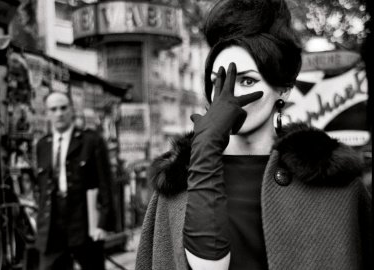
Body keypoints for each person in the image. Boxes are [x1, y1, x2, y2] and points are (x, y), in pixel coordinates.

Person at [135, 0, 372, 269]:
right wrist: (204, 150)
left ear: (282, 89)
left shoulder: (332, 180)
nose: (229, 97)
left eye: (247, 81)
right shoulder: (177, 182)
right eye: (218, 82)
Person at [35, 91, 114, 270]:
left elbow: (106, 184)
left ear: (72, 110)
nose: (59, 113)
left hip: (84, 220)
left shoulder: (90, 141)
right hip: (52, 224)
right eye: (53, 109)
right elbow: (41, 187)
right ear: (47, 113)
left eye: (63, 108)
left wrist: (102, 224)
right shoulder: (43, 145)